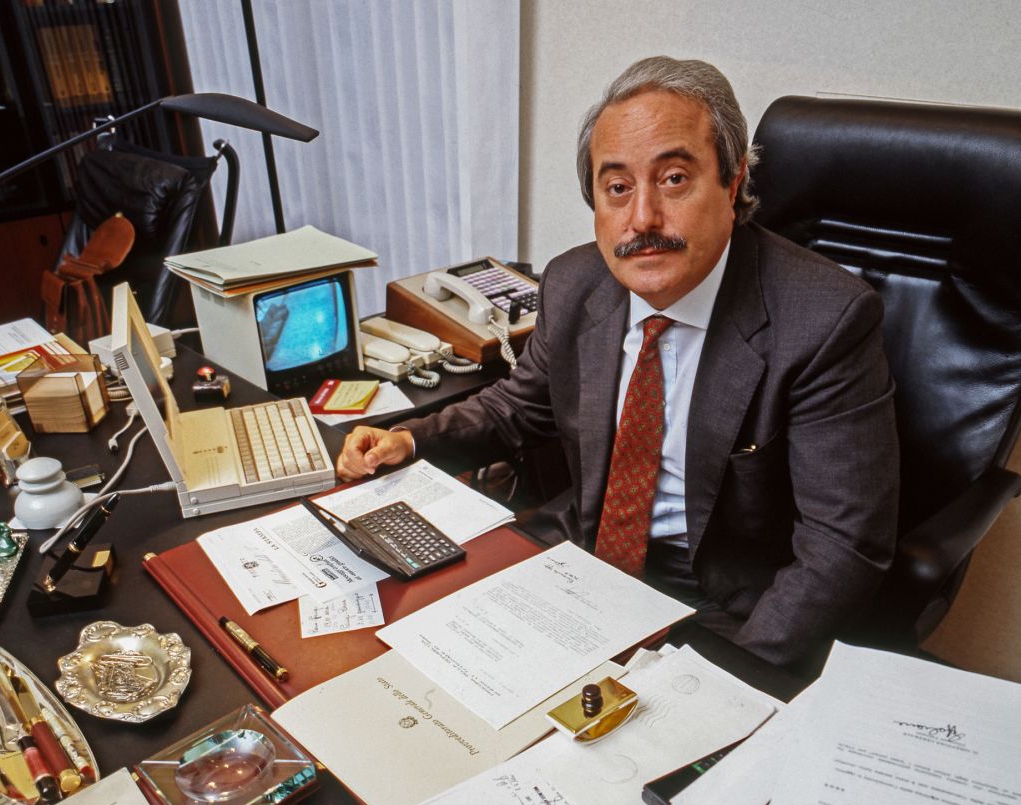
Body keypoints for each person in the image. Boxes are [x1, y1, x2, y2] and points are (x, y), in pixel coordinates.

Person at [337, 55, 900, 669]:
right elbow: (519, 406)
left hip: (726, 601)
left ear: (733, 182)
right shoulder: (576, 281)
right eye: (618, 188)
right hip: (583, 554)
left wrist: (736, 677)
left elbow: (840, 545)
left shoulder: (826, 319)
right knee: (405, 658)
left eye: (675, 178)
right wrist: (409, 442)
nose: (642, 219)